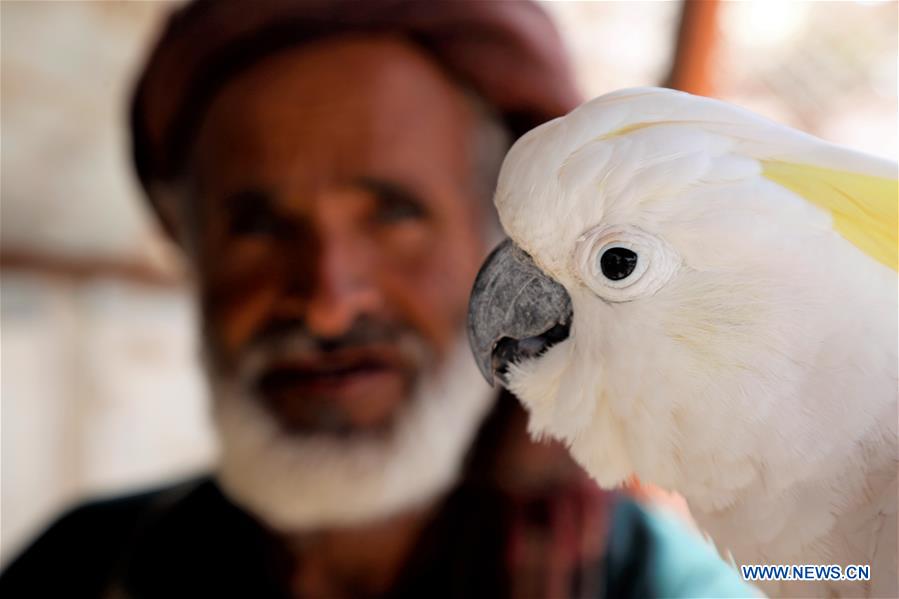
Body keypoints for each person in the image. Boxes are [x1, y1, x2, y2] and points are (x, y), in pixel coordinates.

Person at [1, 2, 757, 597]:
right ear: (189, 248)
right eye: (258, 226)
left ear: (501, 243)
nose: (327, 305)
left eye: (394, 215)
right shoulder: (83, 566)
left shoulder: (665, 586)